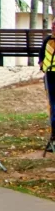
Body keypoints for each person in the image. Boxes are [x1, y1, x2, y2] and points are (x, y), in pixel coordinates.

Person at [42, 19, 55, 152]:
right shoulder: (47, 41)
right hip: (49, 76)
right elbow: (41, 57)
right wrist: (42, 65)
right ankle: (53, 137)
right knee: (52, 106)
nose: (53, 28)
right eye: (52, 25)